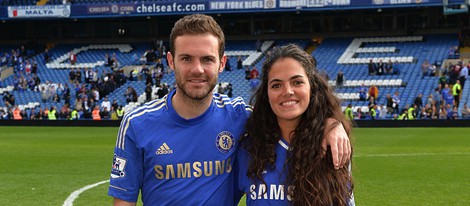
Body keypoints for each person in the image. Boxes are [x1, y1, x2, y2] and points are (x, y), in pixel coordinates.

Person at [108, 14, 350, 205]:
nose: (197, 69)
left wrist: (332, 124)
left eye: (207, 59)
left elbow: (287, 108)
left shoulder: (239, 115)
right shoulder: (136, 123)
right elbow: (123, 201)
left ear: (222, 63)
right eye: (186, 59)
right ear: (171, 61)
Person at [236, 44, 354, 205]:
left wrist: (333, 124)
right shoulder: (248, 149)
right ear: (266, 93)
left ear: (312, 87)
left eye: (297, 82)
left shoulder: (331, 146)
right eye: (276, 85)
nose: (288, 91)